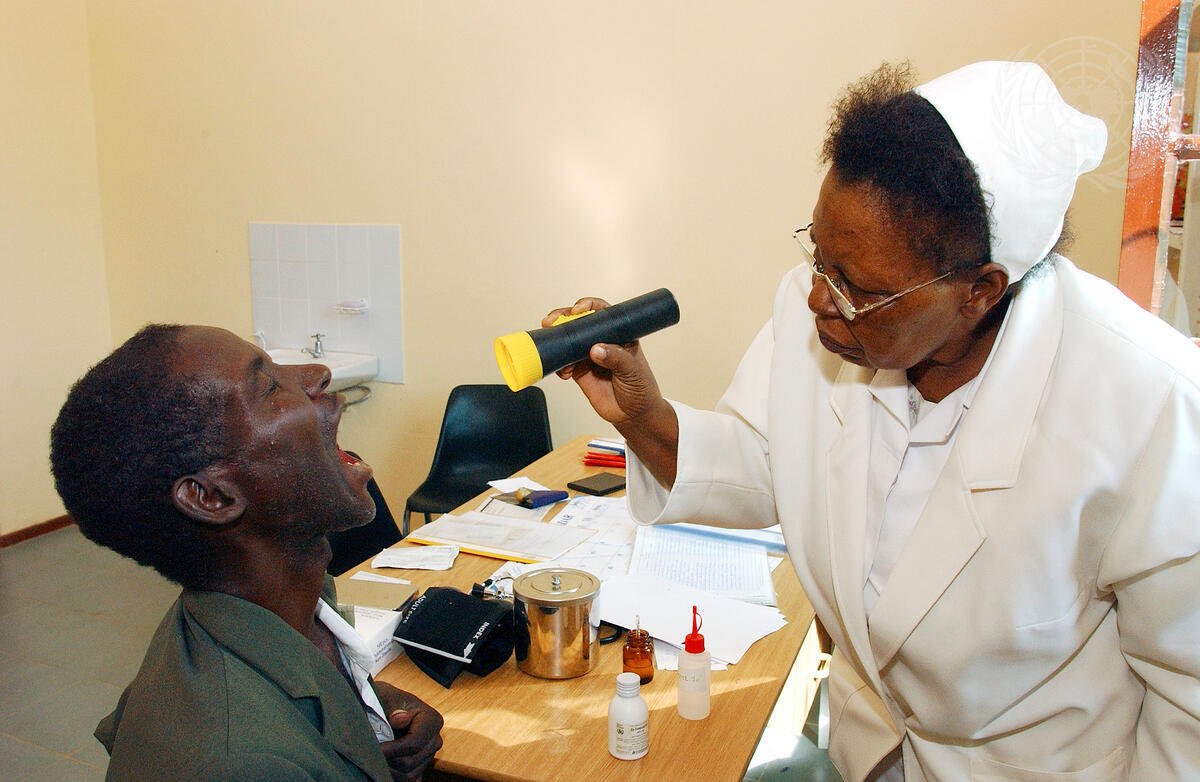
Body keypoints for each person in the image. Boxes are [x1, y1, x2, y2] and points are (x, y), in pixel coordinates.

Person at [548, 61, 1200, 780]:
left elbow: (1190, 702)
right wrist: (644, 417)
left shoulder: (1150, 406)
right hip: (869, 749)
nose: (816, 299)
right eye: (818, 256)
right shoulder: (829, 314)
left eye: (857, 288)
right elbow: (766, 461)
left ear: (980, 291)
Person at [50, 324, 443, 781]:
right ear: (212, 497)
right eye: (268, 385)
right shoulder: (244, 765)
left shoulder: (286, 604)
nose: (318, 373)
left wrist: (366, 708)